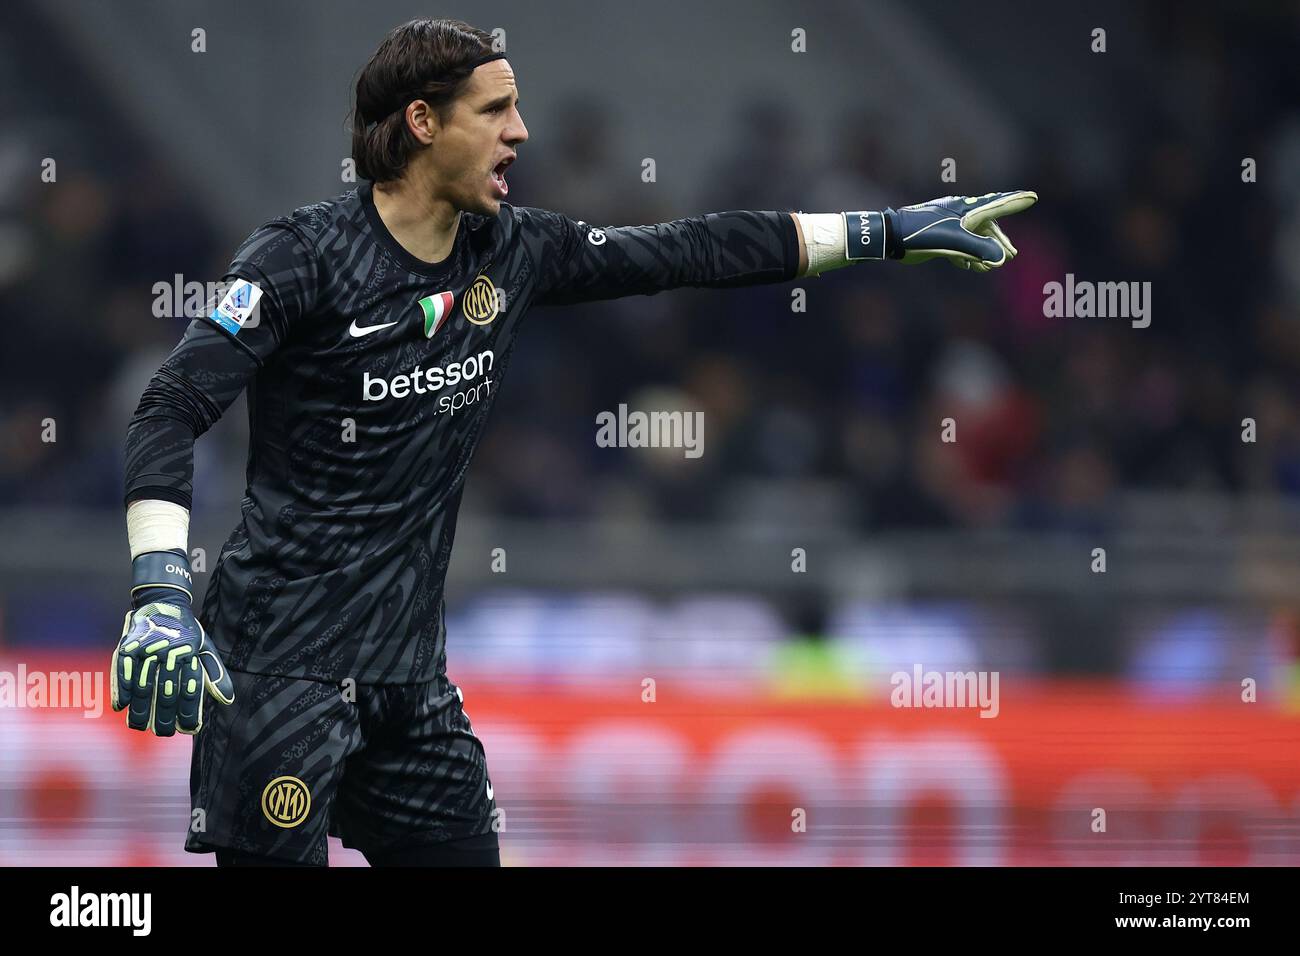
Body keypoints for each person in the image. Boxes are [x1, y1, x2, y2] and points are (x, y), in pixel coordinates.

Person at [112, 17, 1036, 867]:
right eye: (498, 109)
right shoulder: (298, 258)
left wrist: (885, 231)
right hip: (279, 669)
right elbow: (168, 408)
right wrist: (160, 595)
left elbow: (693, 249)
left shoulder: (515, 251)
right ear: (425, 123)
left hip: (409, 683)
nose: (521, 132)